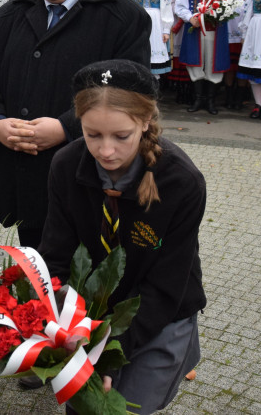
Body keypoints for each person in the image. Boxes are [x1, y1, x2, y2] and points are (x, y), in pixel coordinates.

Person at [0, 0, 150, 249]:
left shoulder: (124, 19)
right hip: (25, 182)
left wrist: (66, 128)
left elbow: (130, 93)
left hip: (93, 184)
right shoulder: (10, 17)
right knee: (38, 287)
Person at [38, 59, 205, 415]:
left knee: (124, 409)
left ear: (145, 121)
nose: (106, 151)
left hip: (158, 315)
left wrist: (107, 355)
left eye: (121, 136)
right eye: (92, 135)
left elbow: (164, 287)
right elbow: (54, 257)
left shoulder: (181, 181)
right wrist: (68, 333)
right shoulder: (66, 165)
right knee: (84, 407)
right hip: (84, 317)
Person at [174, 0, 233, 114]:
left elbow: (237, 7)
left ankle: (210, 101)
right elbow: (180, 6)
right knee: (196, 64)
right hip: (196, 30)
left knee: (213, 64)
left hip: (217, 31)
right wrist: (190, 18)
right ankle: (198, 99)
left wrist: (224, 14)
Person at [222, 0, 257, 109]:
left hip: (248, 22)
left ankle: (241, 96)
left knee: (243, 60)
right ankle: (228, 94)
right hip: (230, 22)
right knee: (230, 60)